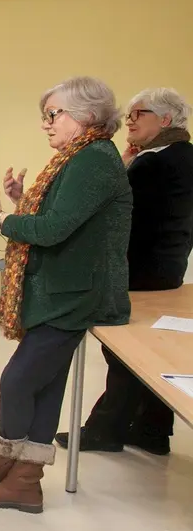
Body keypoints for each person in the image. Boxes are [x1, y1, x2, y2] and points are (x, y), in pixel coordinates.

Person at [0, 76, 132, 514]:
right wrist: (21, 204)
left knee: (18, 381)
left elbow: (53, 231)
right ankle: (17, 475)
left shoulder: (92, 159)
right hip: (61, 289)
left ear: (86, 115)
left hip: (72, 294)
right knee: (45, 386)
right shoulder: (81, 157)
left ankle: (16, 470)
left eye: (53, 115)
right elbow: (58, 221)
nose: (46, 124)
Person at [57, 88, 193, 456]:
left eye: (138, 114)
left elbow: (110, 209)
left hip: (138, 271)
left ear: (165, 120)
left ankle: (105, 430)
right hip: (168, 270)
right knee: (149, 349)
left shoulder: (153, 163)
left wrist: (124, 164)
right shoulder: (183, 156)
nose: (129, 120)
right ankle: (152, 429)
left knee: (124, 353)